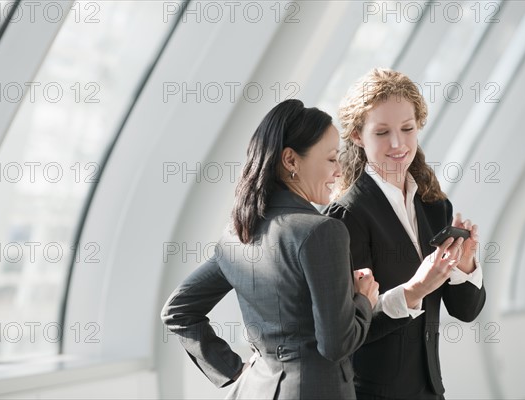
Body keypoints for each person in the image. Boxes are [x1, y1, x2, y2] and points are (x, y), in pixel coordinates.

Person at [162, 99, 380, 399]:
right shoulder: (322, 231)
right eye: (331, 159)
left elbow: (178, 311)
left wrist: (232, 371)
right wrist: (363, 300)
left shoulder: (237, 233)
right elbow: (336, 345)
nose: (339, 171)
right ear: (291, 160)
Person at [325, 68, 487, 399]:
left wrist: (465, 266)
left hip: (429, 391)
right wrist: (415, 290)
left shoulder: (434, 205)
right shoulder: (346, 216)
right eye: (382, 132)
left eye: (407, 129)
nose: (397, 143)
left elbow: (466, 311)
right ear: (357, 135)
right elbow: (346, 332)